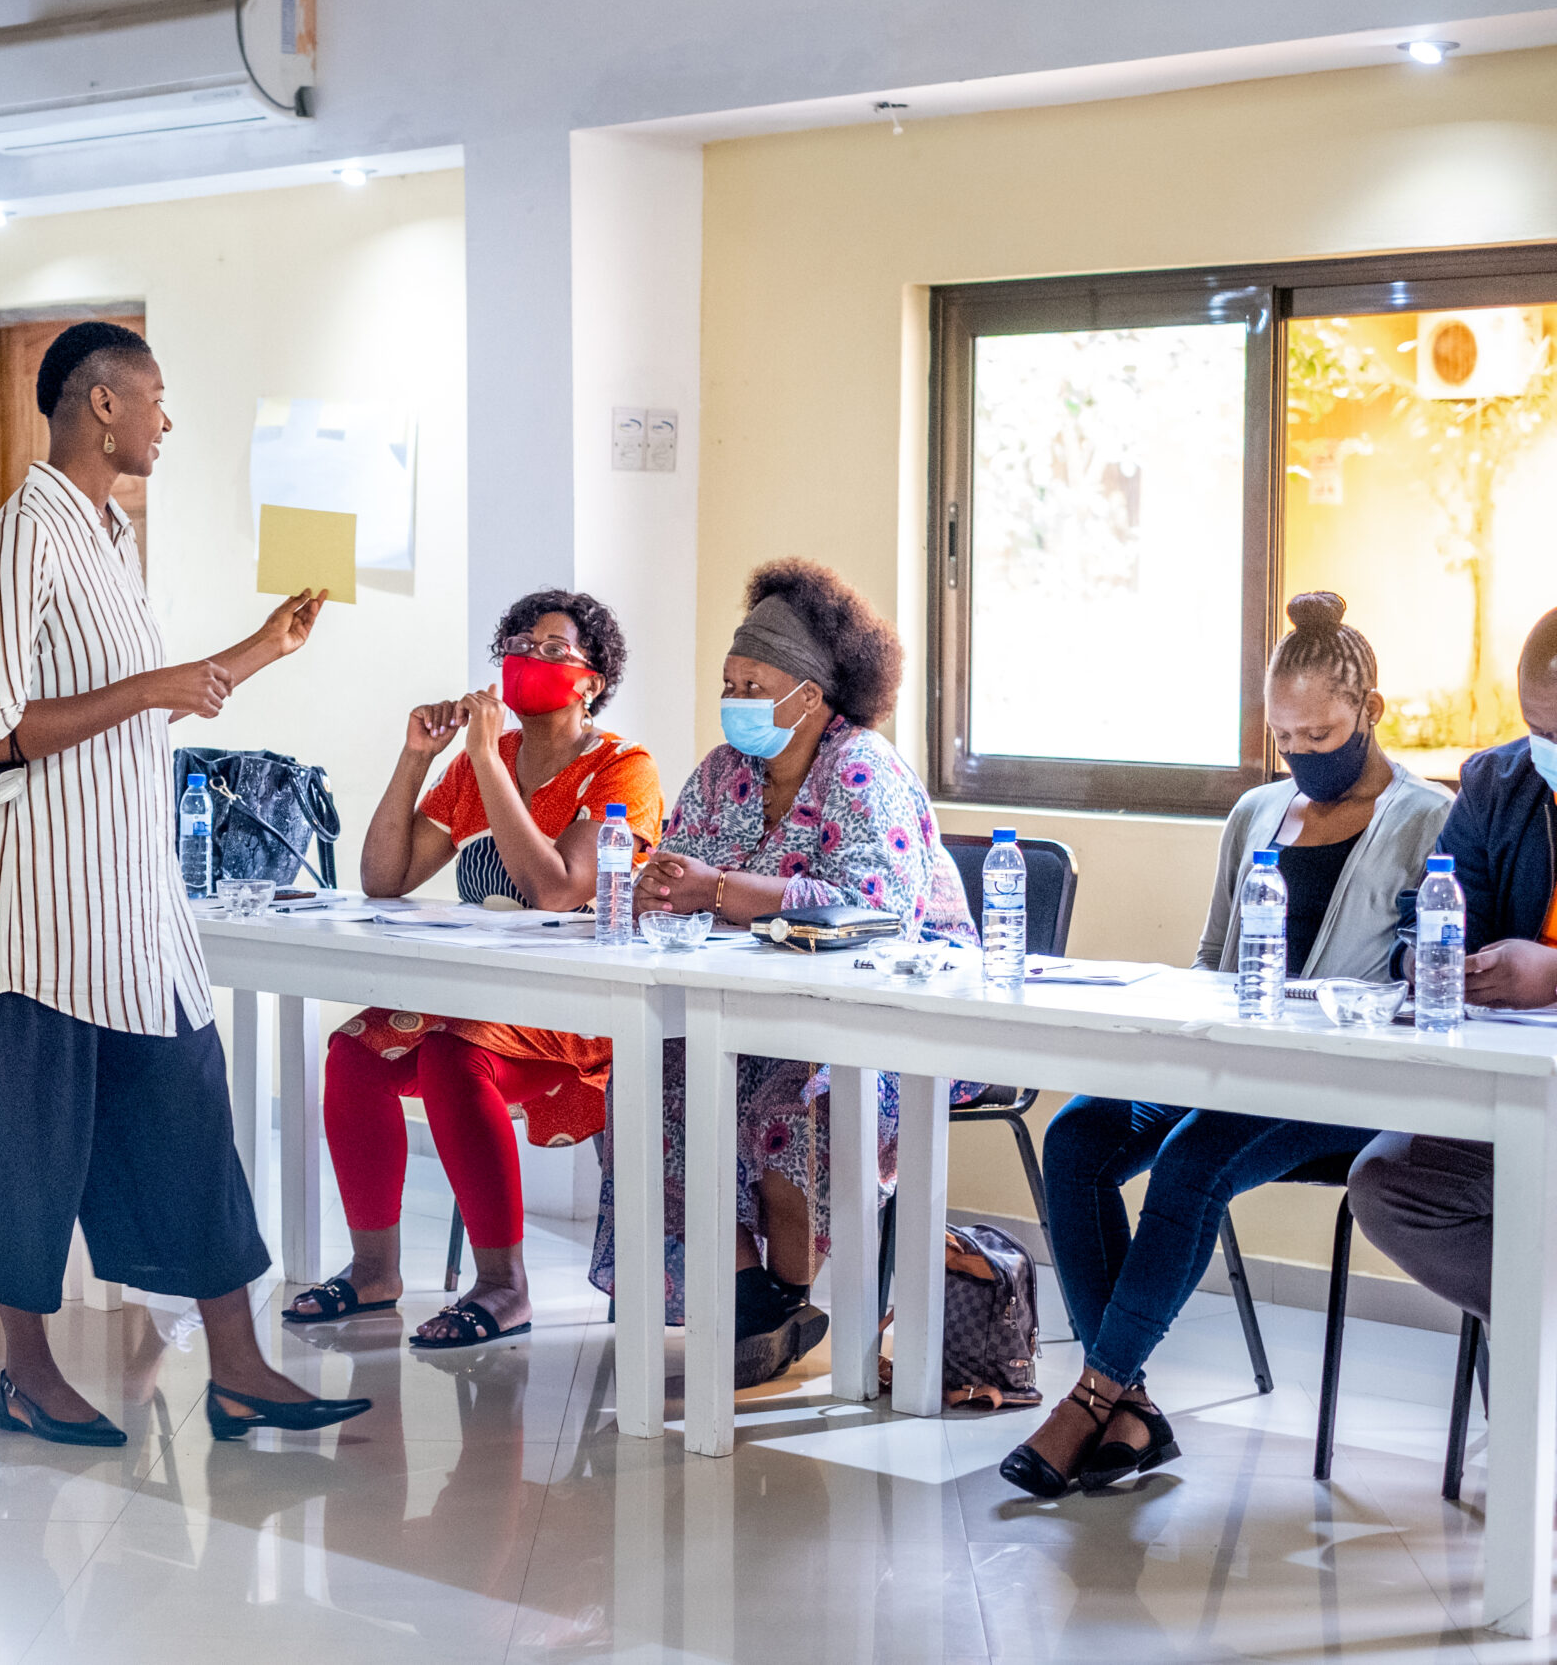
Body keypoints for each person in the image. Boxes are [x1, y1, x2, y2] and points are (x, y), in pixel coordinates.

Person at [0, 319, 367, 1446]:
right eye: (156, 398)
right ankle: (26, 1373)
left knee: (189, 1123)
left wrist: (263, 648)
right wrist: (147, 690)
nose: (166, 420)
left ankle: (239, 1370)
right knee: (32, 1147)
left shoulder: (109, 536)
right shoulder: (22, 536)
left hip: (132, 911)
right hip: (41, 911)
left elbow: (163, 692)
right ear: (100, 405)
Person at [999, 591, 1452, 1497]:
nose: (1305, 757)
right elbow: (1212, 958)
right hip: (1232, 1057)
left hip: (1335, 1084)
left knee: (1191, 1160)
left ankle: (1090, 1396)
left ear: (1372, 712)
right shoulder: (1255, 813)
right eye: (1288, 739)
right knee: (1078, 1135)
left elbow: (1418, 985)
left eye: (1323, 736)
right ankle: (1134, 1406)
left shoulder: (1428, 819)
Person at [598, 558, 976, 1386]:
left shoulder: (861, 768)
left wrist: (721, 891)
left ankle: (789, 1294)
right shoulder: (720, 773)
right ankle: (749, 1300)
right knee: (652, 1074)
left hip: (889, 1020)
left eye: (753, 681)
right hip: (749, 1007)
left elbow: (870, 912)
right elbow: (681, 866)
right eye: (728, 679)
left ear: (810, 691)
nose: (733, 697)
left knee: (786, 1096)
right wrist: (662, 885)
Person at [284, 591, 662, 1348]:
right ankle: (374, 1270)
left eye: (554, 648)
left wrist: (487, 759)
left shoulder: (623, 769)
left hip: (579, 1004)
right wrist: (417, 757)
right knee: (354, 1053)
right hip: (477, 993)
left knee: (455, 1057)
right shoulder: (483, 764)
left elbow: (557, 886)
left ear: (590, 680)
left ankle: (503, 1285)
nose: (531, 657)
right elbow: (384, 877)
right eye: (521, 641)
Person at [1348, 604, 1557, 1331]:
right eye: (1540, 730)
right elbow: (1436, 907)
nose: (1549, 749)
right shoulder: (1499, 783)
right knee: (1387, 1185)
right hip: (1513, 1090)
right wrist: (1432, 959)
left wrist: (1553, 975)